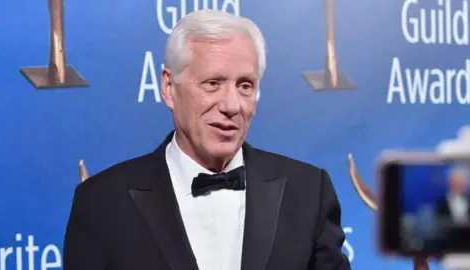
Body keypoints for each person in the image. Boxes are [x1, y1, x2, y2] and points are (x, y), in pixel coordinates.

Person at [63, 9, 350, 270]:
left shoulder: (309, 193)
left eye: (245, 86)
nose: (231, 105)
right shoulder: (102, 203)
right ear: (168, 88)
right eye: (213, 83)